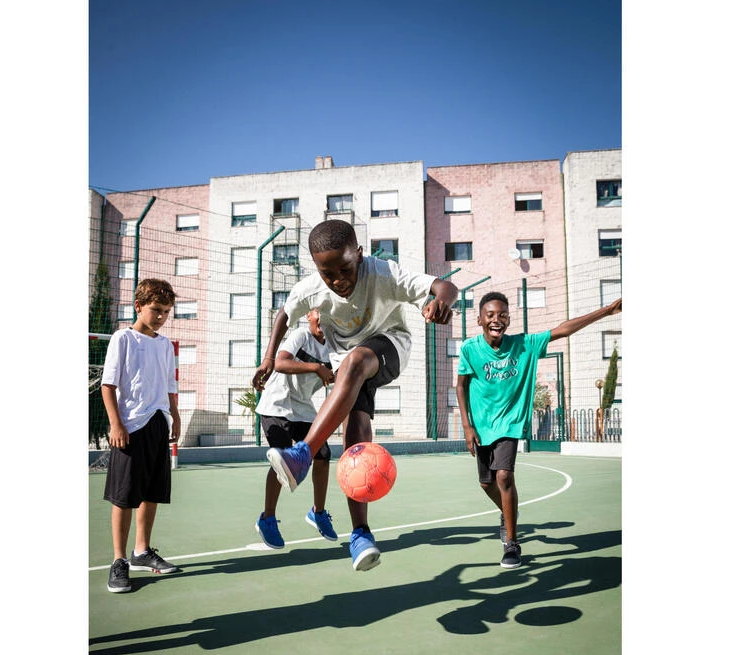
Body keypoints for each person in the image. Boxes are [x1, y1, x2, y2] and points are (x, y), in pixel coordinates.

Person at [252, 219, 458, 571]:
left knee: (356, 359)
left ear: (359, 255)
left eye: (345, 269)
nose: (338, 280)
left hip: (389, 347)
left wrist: (441, 301)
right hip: (347, 368)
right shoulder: (311, 289)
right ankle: (361, 534)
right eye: (327, 273)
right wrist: (269, 358)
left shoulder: (383, 273)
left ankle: (302, 455)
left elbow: (444, 286)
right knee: (355, 440)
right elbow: (284, 315)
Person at [456, 291, 622, 569]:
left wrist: (606, 311)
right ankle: (508, 512)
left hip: (510, 423)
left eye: (503, 315)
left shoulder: (524, 344)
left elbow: (563, 330)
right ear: (479, 319)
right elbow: (460, 386)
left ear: (509, 320)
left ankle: (512, 543)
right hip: (482, 427)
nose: (497, 320)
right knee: (486, 483)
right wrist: (467, 425)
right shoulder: (469, 349)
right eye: (491, 315)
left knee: (504, 476)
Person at [101, 278, 181, 593]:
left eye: (166, 311)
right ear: (138, 306)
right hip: (131, 426)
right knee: (124, 496)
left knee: (151, 491)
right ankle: (119, 560)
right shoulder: (123, 338)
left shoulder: (165, 345)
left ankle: (141, 551)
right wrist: (116, 424)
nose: (161, 316)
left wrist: (174, 415)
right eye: (156, 309)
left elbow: (170, 386)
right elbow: (108, 385)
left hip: (159, 422)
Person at [254, 308, 339, 549]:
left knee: (323, 454)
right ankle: (267, 518)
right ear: (309, 316)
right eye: (318, 312)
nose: (322, 317)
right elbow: (280, 363)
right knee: (281, 457)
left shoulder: (334, 347)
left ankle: (318, 512)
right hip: (276, 402)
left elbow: (338, 375)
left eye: (328, 312)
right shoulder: (301, 335)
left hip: (302, 407)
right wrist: (316, 368)